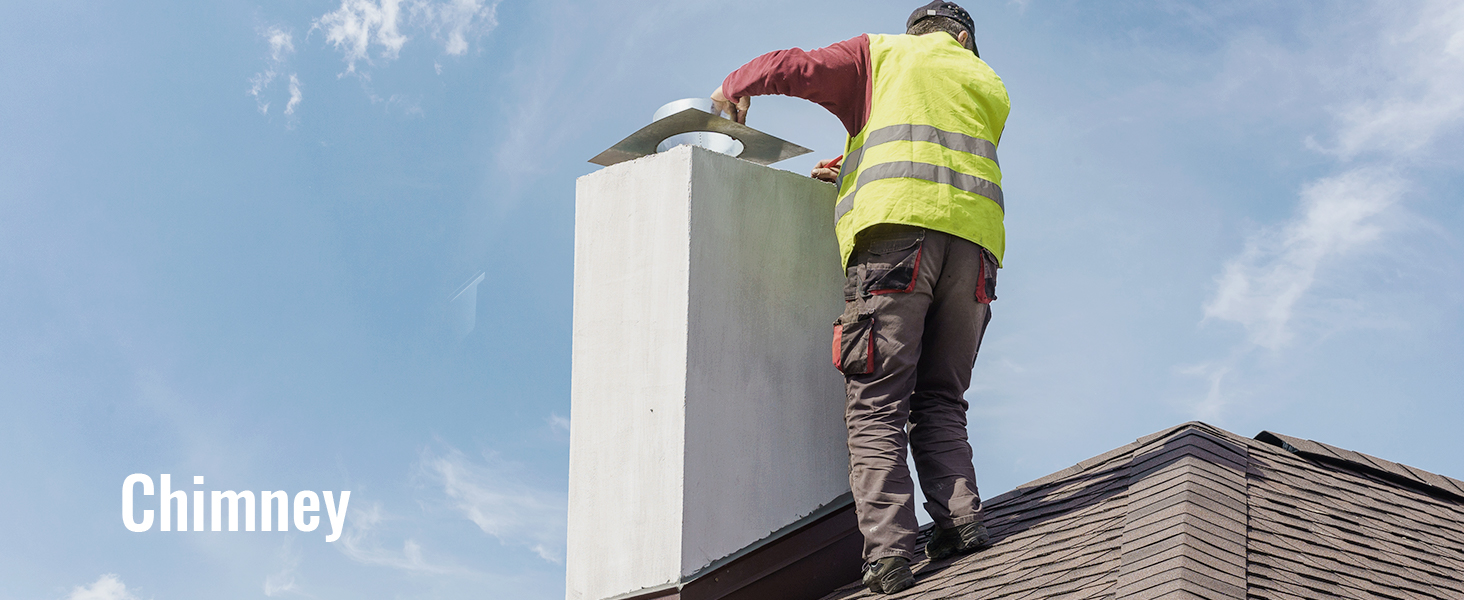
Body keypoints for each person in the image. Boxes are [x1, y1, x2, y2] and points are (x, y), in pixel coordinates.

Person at [709, 2, 1010, 594]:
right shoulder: (987, 81)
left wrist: (731, 85)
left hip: (896, 245)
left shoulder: (883, 53)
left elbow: (793, 66)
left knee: (876, 400)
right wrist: (852, 164)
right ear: (963, 37)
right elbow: (937, 153)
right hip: (975, 254)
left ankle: (891, 554)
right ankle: (962, 522)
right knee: (943, 397)